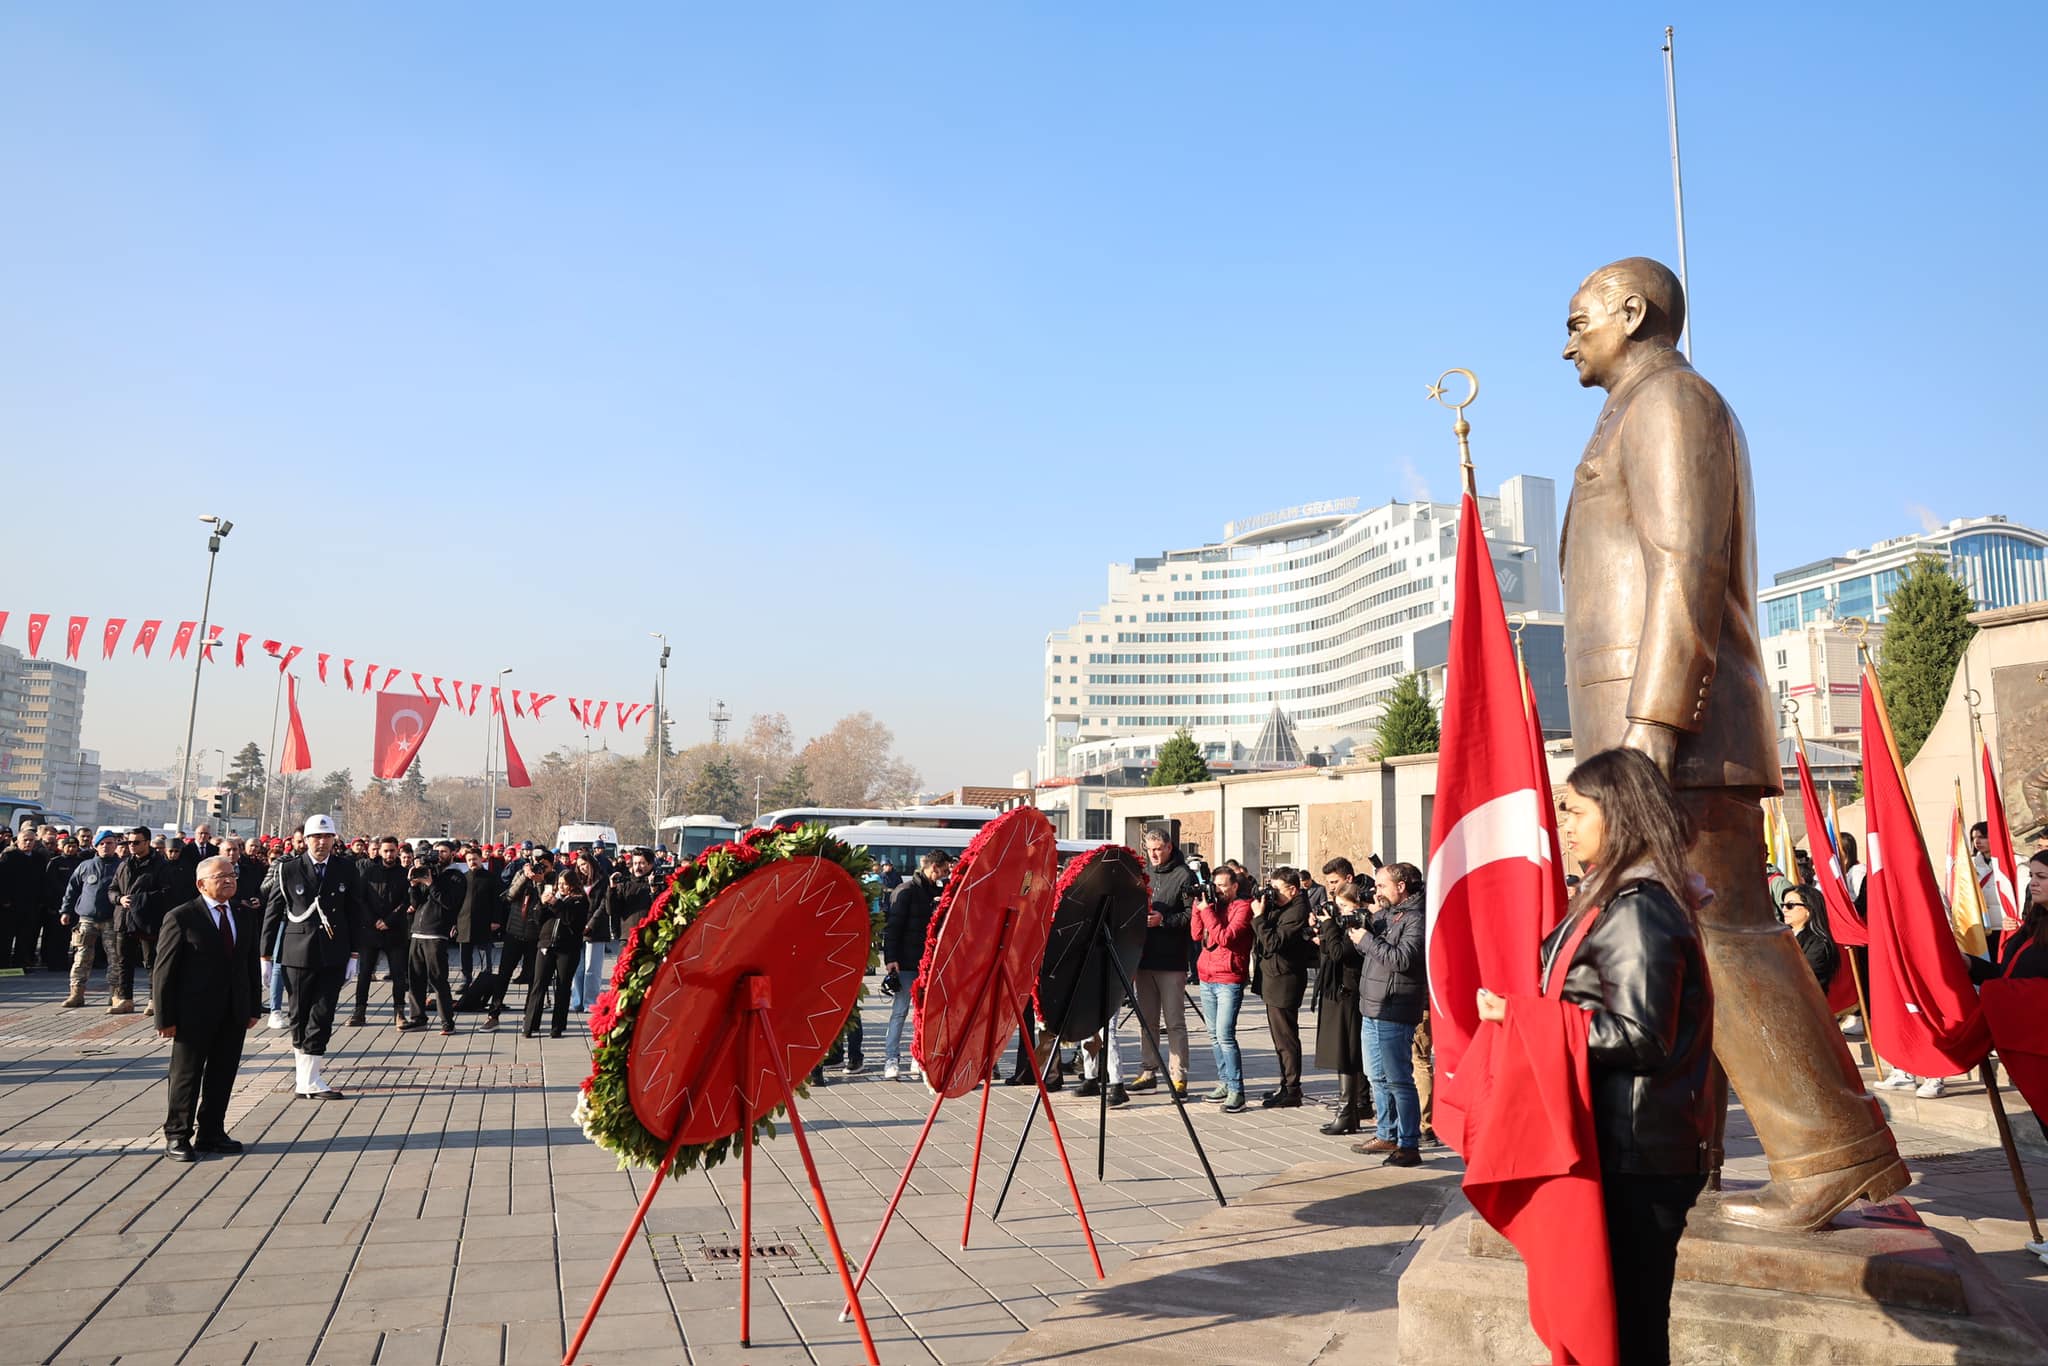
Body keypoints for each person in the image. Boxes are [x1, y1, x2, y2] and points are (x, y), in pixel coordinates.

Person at [1475, 747, 1715, 1365]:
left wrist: (1523, 1019)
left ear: (1620, 813)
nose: (1567, 824)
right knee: (1614, 1324)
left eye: (1577, 810)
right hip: (1613, 1139)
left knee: (1627, 1331)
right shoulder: (1615, 899)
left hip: (1636, 1153)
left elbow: (1641, 1034)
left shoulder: (1640, 909)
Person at [154, 856, 263, 1161]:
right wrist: (165, 1017)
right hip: (193, 1013)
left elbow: (249, 965)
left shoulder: (243, 914)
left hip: (233, 1010)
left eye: (232, 875)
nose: (229, 880)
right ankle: (177, 1135)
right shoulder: (181, 917)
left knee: (222, 1073)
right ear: (201, 884)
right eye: (220, 877)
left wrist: (253, 1006)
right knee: (186, 1075)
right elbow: (164, 972)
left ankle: (212, 1132)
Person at [261, 815, 366, 1099]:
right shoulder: (289, 869)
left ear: (334, 839)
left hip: (333, 952)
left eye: (327, 837)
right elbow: (273, 913)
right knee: (299, 1013)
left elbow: (355, 912)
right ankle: (304, 1078)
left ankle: (310, 1078)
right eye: (316, 837)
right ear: (305, 840)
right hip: (297, 953)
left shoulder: (347, 868)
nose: (322, 842)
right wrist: (265, 955)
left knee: (322, 1014)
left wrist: (355, 953)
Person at [1352, 862, 1427, 1167]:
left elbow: (1402, 960)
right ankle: (1387, 1132)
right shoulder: (1386, 913)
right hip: (1372, 1005)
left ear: (1401, 886)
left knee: (1398, 1079)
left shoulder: (1417, 919)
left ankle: (1408, 1143)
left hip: (1395, 1007)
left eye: (1382, 886)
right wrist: (1358, 932)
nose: (1376, 891)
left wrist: (1367, 940)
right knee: (1376, 1076)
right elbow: (1369, 950)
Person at [1130, 825, 1196, 1096]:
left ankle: (1178, 1076)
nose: (1155, 854)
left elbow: (1193, 915)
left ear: (1170, 847)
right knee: (1147, 1021)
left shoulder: (1184, 874)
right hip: (1143, 958)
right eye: (1151, 850)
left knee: (1174, 1021)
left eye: (1159, 849)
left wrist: (1164, 921)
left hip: (1171, 960)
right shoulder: (1142, 873)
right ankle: (1148, 1071)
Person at [881, 850, 950, 1081]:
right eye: (943, 870)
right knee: (900, 1012)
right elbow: (893, 928)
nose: (945, 874)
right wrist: (891, 959)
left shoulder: (937, 892)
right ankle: (891, 1059)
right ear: (933, 867)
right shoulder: (907, 891)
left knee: (925, 1014)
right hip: (907, 963)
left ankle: (917, 1057)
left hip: (928, 964)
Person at [1190, 865, 1254, 1112]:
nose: (1218, 890)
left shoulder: (1243, 907)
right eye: (1214, 885)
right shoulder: (1212, 906)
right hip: (1207, 976)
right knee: (1214, 1036)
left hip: (1229, 979)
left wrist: (1206, 912)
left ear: (1235, 885)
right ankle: (1225, 1083)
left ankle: (1237, 1090)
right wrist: (1199, 907)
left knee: (1225, 1036)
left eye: (1222, 885)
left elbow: (1225, 937)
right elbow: (1197, 935)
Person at [1249, 868, 1313, 1108]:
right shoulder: (1284, 906)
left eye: (1276, 889)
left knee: (1286, 1038)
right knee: (1280, 1038)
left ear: (1292, 889)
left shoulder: (1297, 910)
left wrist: (1259, 917)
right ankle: (1285, 1084)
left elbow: (1274, 942)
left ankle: (1292, 1089)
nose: (1272, 894)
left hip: (1284, 981)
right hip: (1274, 978)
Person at [1310, 877, 1368, 1136]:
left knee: (1347, 1053)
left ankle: (1347, 1111)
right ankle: (1349, 1112)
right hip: (1337, 991)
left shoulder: (1360, 924)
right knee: (1341, 1054)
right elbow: (1330, 951)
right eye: (1338, 905)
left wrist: (1330, 927)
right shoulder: (1344, 924)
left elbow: (1339, 953)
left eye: (1344, 906)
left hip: (1348, 994)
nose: (1340, 911)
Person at [350, 837, 419, 1029]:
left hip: (395, 930)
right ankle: (359, 1011)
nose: (389, 854)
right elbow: (360, 899)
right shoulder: (368, 872)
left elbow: (407, 901)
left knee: (398, 974)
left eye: (392, 851)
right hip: (370, 931)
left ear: (397, 851)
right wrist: (374, 920)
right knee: (364, 973)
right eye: (386, 851)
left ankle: (399, 1013)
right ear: (380, 851)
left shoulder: (404, 874)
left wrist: (389, 920)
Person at [111, 828, 176, 1015]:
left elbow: (168, 893)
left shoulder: (160, 865)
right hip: (124, 919)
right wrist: (119, 899)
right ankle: (125, 999)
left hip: (149, 921)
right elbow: (112, 888)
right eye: (129, 842)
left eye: (136, 842)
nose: (132, 846)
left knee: (152, 962)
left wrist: (139, 899)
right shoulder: (124, 864)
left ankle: (154, 999)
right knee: (123, 961)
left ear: (147, 843)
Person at [523, 866, 592, 1038]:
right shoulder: (554, 897)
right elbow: (538, 919)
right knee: (539, 984)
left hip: (567, 949)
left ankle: (557, 1026)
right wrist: (542, 904)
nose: (561, 887)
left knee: (563, 986)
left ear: (572, 885)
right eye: (559, 883)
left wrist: (556, 904)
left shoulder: (580, 900)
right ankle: (530, 1024)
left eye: (565, 884)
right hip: (546, 945)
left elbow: (571, 921)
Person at [58, 831, 124, 1008]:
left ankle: (116, 994)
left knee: (115, 958)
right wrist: (66, 911)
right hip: (87, 918)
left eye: (109, 843)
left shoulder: (122, 866)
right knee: (82, 957)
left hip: (111, 919)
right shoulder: (85, 866)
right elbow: (72, 890)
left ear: (115, 845)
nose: (106, 846)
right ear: (96, 846)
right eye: (102, 843)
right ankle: (76, 993)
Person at [490, 850, 554, 1029]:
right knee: (504, 975)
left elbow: (545, 904)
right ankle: (493, 1014)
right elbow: (509, 896)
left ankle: (529, 1016)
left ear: (551, 866)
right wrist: (525, 877)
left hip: (537, 936)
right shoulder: (521, 873)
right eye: (537, 863)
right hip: (515, 932)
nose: (540, 868)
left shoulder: (554, 879)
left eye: (545, 865)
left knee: (534, 978)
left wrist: (541, 883)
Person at [407, 842, 463, 1035]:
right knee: (415, 980)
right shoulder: (427, 873)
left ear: (452, 854)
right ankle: (417, 1018)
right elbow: (415, 903)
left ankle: (447, 1022)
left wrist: (431, 884)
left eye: (443, 852)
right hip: (417, 932)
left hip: (437, 934)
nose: (439, 855)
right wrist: (414, 885)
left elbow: (449, 903)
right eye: (436, 852)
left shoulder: (456, 877)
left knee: (439, 981)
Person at [1781, 886, 1838, 994]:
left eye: (1790, 905)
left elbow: (1800, 977)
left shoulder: (1820, 944)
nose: (1784, 909)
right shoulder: (1782, 936)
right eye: (1783, 905)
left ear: (1809, 910)